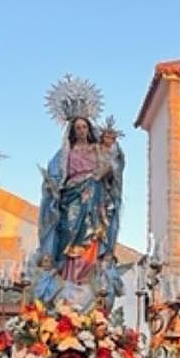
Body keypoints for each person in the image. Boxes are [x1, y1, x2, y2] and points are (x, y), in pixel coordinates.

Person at [38, 115, 125, 288]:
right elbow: (54, 175)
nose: (81, 131)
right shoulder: (65, 152)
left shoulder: (97, 149)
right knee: (68, 231)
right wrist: (52, 186)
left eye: (84, 127)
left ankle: (86, 275)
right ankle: (67, 276)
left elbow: (113, 166)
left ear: (89, 129)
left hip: (94, 195)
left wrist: (111, 146)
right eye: (77, 128)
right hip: (71, 195)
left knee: (92, 233)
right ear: (72, 131)